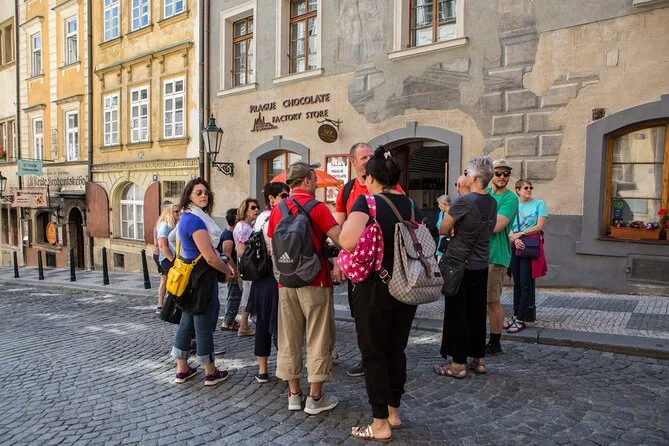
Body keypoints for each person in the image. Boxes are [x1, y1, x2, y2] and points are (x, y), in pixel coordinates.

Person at [339, 147, 418, 442]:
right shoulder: (410, 204)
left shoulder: (368, 202)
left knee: (374, 354)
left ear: (370, 177)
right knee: (396, 350)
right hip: (406, 287)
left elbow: (347, 240)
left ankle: (380, 423)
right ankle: (394, 413)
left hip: (375, 288)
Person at [266, 161, 342, 414]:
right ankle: (315, 398)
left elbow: (272, 243)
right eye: (315, 179)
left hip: (285, 280)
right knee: (318, 336)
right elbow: (340, 238)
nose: (317, 183)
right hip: (315, 279)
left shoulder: (278, 209)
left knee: (288, 337)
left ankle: (293, 394)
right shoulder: (317, 207)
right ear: (307, 180)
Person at [333, 142, 403, 378]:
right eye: (363, 157)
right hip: (359, 267)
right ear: (352, 161)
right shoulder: (347, 190)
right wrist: (340, 261)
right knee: (361, 315)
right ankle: (369, 358)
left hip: (387, 265)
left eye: (370, 156)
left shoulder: (392, 189)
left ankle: (380, 360)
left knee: (387, 315)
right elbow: (340, 230)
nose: (368, 160)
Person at [435, 157, 497, 378]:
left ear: (474, 177)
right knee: (477, 313)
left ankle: (457, 365)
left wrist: (454, 226)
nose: (465, 176)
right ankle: (478, 360)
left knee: (457, 314)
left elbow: (443, 229)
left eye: (467, 173)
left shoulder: (465, 201)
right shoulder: (492, 202)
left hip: (460, 265)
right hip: (480, 264)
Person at [171, 178, 235, 386]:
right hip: (201, 280)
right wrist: (227, 270)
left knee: (187, 322)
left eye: (206, 192)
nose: (204, 195)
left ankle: (182, 369)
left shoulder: (186, 217)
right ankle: (210, 372)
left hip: (191, 278)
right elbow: (209, 257)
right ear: (189, 195)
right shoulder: (196, 221)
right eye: (198, 192)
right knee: (203, 324)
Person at [247, 182, 289, 383]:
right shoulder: (275, 217)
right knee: (281, 324)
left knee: (265, 324)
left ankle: (263, 370)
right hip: (275, 274)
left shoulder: (260, 218)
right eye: (283, 196)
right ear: (271, 199)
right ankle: (281, 367)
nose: (287, 199)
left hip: (262, 276)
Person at [484, 159, 518, 356]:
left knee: (492, 300)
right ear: (491, 175)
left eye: (506, 174)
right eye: (498, 173)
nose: (502, 177)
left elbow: (497, 226)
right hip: (478, 255)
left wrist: (476, 221)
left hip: (496, 256)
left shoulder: (510, 198)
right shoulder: (485, 193)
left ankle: (495, 342)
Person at [507, 179, 548, 332]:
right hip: (514, 245)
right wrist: (514, 238)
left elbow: (539, 226)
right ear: (518, 190)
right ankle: (515, 314)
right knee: (517, 283)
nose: (529, 189)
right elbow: (507, 225)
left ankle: (521, 318)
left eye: (531, 187)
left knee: (526, 283)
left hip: (528, 246)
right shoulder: (513, 204)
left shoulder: (539, 204)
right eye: (526, 187)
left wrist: (522, 234)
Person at [233, 198, 260, 337]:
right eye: (253, 208)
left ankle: (246, 324)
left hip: (247, 267)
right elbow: (240, 250)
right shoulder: (243, 228)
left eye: (257, 207)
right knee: (248, 295)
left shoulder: (246, 226)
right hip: (249, 267)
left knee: (249, 295)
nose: (256, 210)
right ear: (245, 210)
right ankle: (244, 326)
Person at [220, 208, 242, 331]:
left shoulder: (231, 233)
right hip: (232, 271)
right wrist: (235, 270)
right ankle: (228, 321)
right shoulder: (228, 235)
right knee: (234, 295)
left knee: (235, 295)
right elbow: (227, 255)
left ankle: (230, 319)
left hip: (234, 270)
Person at [153, 200, 173, 313]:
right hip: (162, 255)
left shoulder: (160, 222)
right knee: (165, 280)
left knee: (165, 280)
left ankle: (161, 304)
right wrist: (171, 258)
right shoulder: (163, 225)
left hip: (159, 254)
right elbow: (158, 243)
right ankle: (160, 305)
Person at [157, 202, 179, 276]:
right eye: (176, 211)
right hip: (167, 259)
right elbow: (162, 246)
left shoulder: (173, 225)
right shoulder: (165, 226)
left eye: (178, 211)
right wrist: (172, 260)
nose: (178, 213)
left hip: (172, 257)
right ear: (169, 213)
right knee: (170, 281)